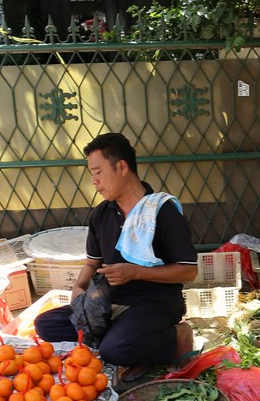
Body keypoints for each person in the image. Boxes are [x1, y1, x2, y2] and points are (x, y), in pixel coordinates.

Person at [34, 133, 198, 377]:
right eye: (92, 174)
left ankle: (177, 335)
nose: (94, 181)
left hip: (154, 303)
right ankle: (128, 341)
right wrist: (79, 288)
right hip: (107, 302)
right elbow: (92, 262)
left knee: (114, 350)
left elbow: (189, 270)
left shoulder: (161, 211)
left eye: (98, 172)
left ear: (121, 167)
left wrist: (136, 272)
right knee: (46, 324)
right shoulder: (101, 214)